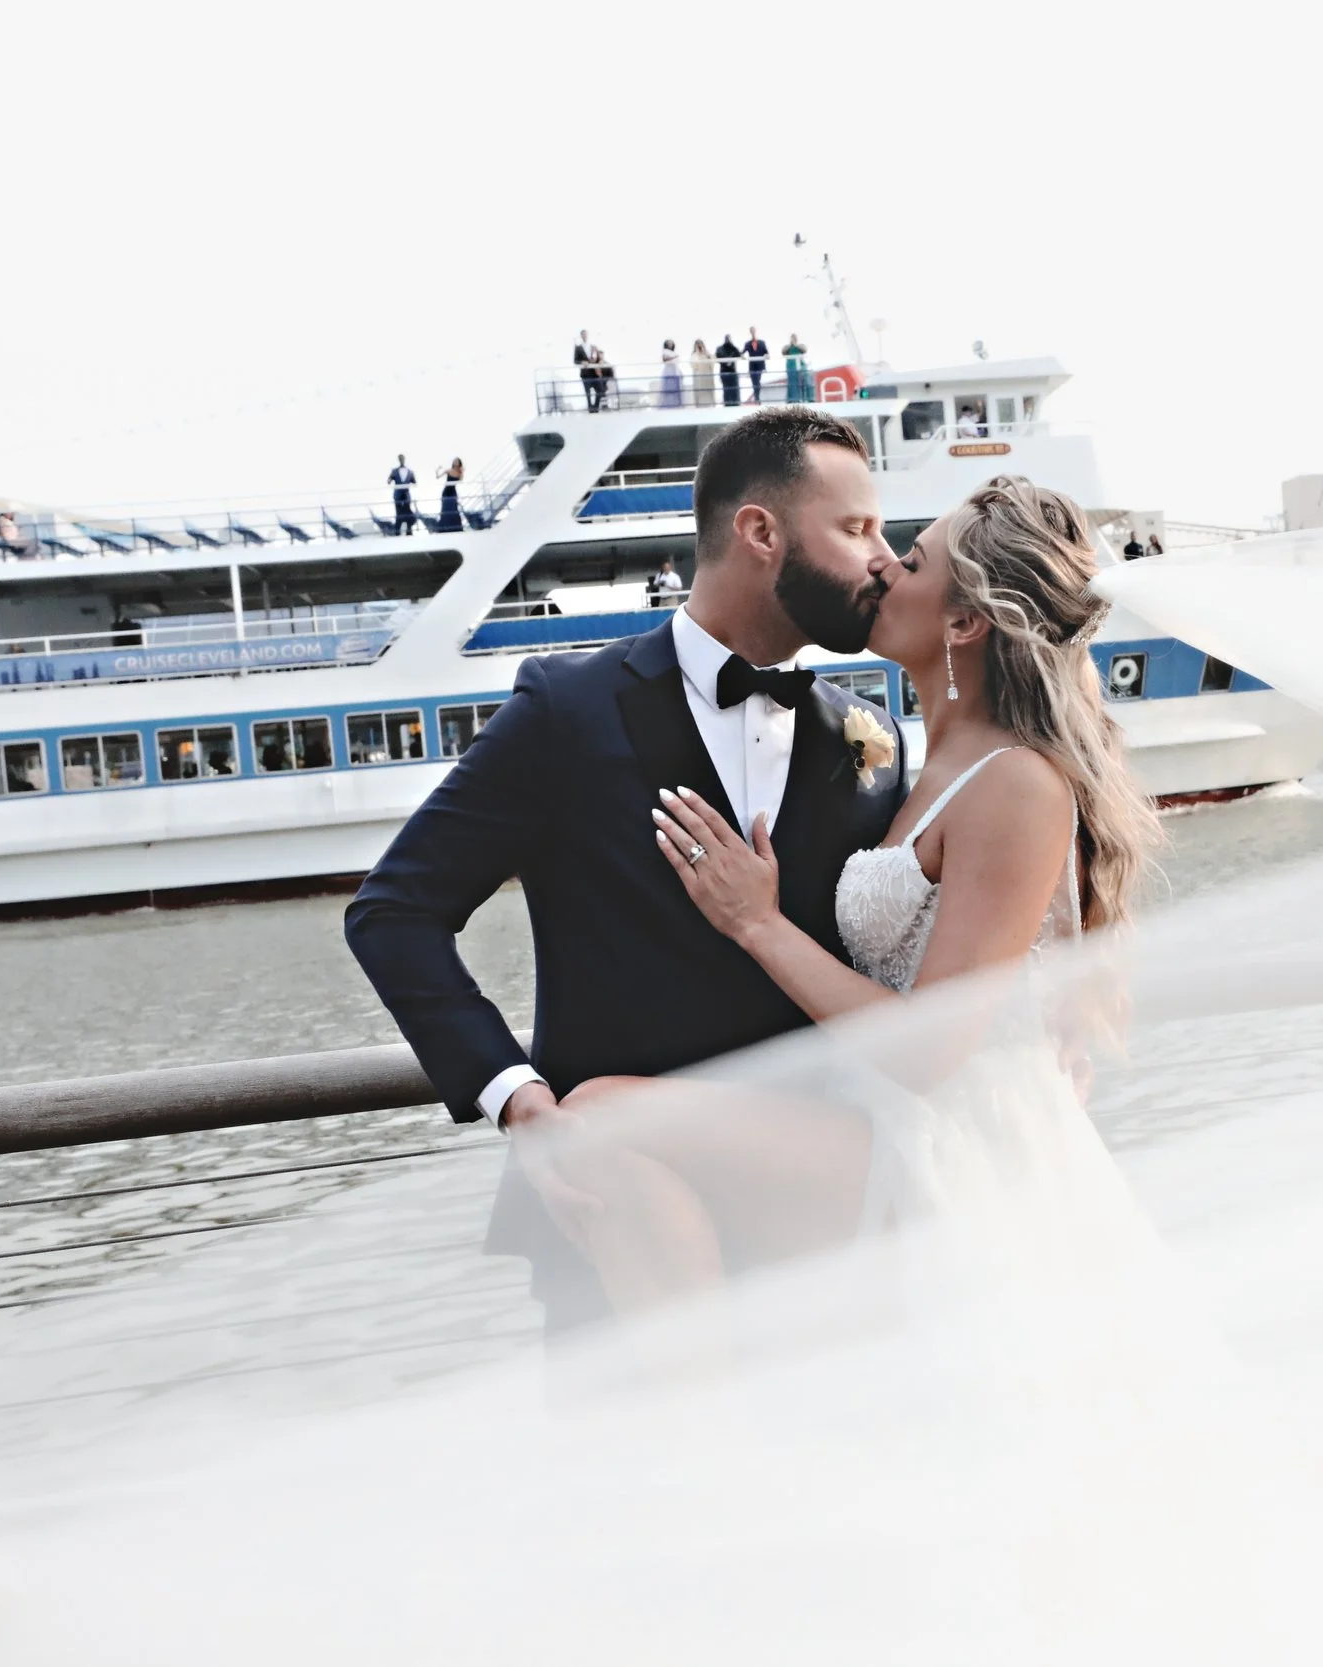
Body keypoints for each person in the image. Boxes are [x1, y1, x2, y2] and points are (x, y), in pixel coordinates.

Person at [346, 406, 907, 1332]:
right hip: (613, 1230)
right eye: (855, 529)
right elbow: (393, 912)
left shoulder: (871, 737)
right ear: (759, 532)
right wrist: (515, 1097)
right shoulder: (567, 710)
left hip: (820, 1245)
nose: (883, 557)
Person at [541, 476, 1161, 1306]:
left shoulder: (1016, 781)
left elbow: (937, 1045)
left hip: (951, 1147)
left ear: (965, 621)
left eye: (909, 560)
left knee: (599, 1116)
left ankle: (695, 1420)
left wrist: (756, 923)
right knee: (602, 1128)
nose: (879, 568)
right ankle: (697, 1399)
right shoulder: (917, 761)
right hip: (871, 1122)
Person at [575, 331, 604, 412]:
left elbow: (598, 358)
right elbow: (575, 360)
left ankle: (595, 407)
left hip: (594, 373)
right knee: (588, 393)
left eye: (586, 334)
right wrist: (582, 362)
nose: (585, 336)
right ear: (581, 336)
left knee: (599, 390)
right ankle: (590, 409)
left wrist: (600, 361)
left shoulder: (593, 347)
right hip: (585, 374)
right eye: (583, 335)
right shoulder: (578, 348)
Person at [389, 455, 418, 535]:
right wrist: (391, 478)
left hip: (406, 495)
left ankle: (409, 531)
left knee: (408, 513)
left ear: (404, 459)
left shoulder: (410, 471)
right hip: (398, 495)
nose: (401, 460)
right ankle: (397, 532)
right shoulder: (394, 471)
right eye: (400, 459)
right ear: (398, 460)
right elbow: (389, 480)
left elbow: (415, 482)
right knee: (399, 514)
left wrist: (412, 481)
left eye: (402, 458)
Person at [437, 457, 465, 531]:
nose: (455, 462)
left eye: (457, 461)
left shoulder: (460, 472)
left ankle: (456, 527)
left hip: (453, 491)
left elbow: (461, 480)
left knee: (454, 507)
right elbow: (438, 477)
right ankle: (443, 528)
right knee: (445, 508)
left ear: (459, 463)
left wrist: (462, 471)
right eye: (454, 461)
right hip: (446, 491)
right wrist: (437, 470)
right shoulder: (449, 470)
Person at [690, 336, 717, 408]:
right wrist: (698, 353)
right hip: (699, 377)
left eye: (700, 344)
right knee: (700, 392)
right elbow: (694, 364)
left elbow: (713, 361)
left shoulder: (707, 354)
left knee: (708, 392)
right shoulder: (694, 355)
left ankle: (711, 405)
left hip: (707, 376)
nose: (699, 346)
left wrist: (706, 353)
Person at [745, 326, 769, 404]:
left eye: (753, 330)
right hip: (752, 366)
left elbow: (766, 352)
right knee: (754, 382)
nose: (752, 332)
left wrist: (767, 356)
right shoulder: (748, 343)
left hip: (759, 365)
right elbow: (742, 352)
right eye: (751, 331)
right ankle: (757, 398)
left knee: (757, 381)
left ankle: (757, 398)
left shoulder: (762, 343)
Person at [717, 334, 742, 406]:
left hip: (732, 372)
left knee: (734, 389)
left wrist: (732, 346)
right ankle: (727, 404)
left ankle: (735, 403)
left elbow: (738, 354)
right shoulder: (720, 348)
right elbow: (718, 356)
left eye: (729, 339)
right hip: (724, 372)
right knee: (726, 389)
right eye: (727, 339)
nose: (728, 340)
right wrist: (727, 361)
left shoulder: (733, 348)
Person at [783, 334, 810, 404]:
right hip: (791, 367)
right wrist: (791, 345)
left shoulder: (800, 346)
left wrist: (795, 345)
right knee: (792, 383)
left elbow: (804, 350)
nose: (793, 339)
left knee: (805, 382)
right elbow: (783, 352)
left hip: (801, 366)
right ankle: (793, 399)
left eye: (794, 338)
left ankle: (806, 398)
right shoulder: (787, 347)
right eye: (792, 338)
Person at [659, 340, 684, 409]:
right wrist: (674, 357)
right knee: (669, 387)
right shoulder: (665, 351)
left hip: (675, 371)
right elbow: (664, 359)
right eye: (669, 343)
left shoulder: (674, 352)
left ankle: (676, 404)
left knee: (676, 388)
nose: (670, 344)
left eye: (671, 343)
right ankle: (668, 404)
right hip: (669, 371)